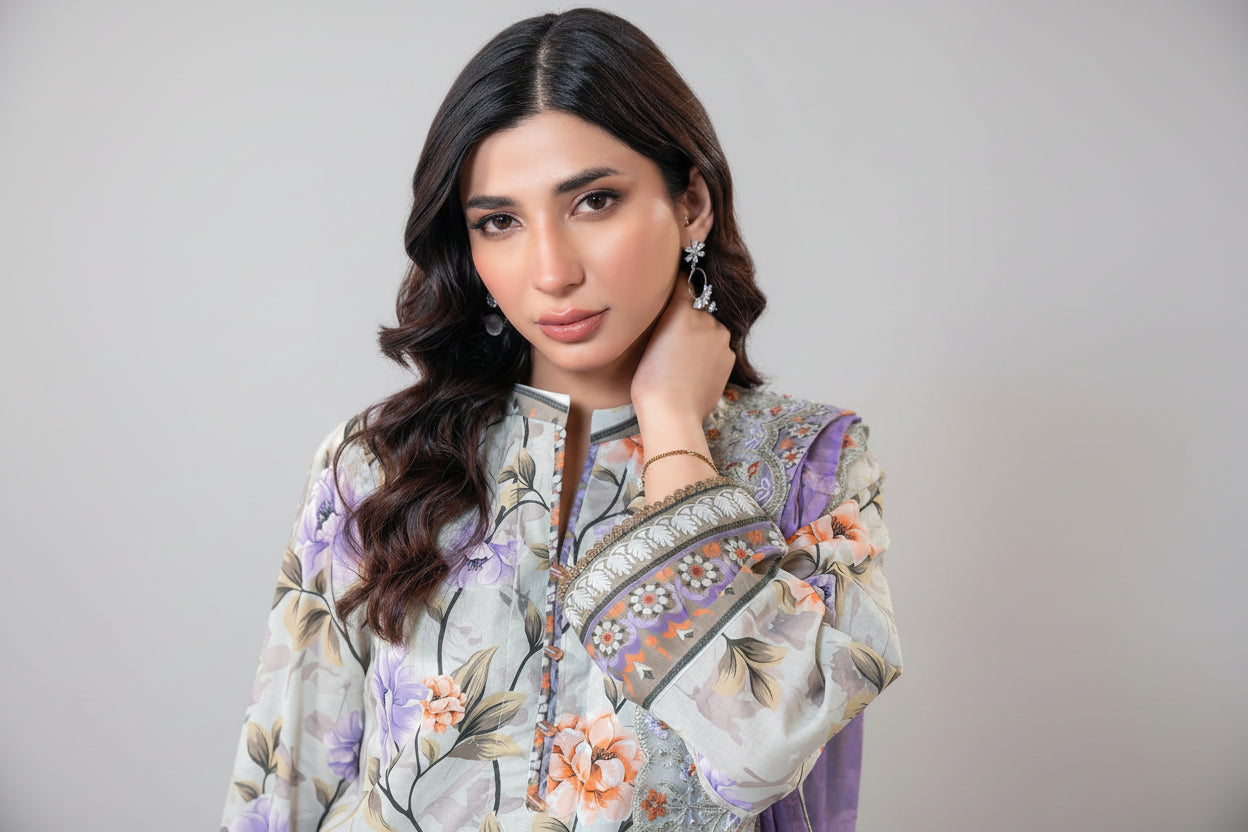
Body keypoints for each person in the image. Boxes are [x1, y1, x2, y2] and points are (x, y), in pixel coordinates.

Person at [221, 9, 901, 832]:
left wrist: (674, 430)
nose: (550, 270)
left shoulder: (810, 464)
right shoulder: (377, 466)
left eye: (595, 202)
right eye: (498, 222)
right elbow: (278, 795)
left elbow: (764, 747)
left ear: (691, 203)